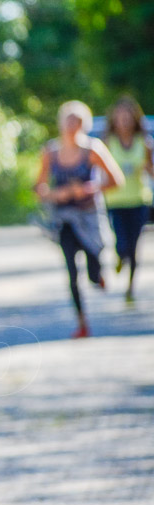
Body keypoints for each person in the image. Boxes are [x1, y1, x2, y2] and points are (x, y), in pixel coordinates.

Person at [33, 100, 124, 338]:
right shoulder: (50, 152)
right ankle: (82, 322)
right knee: (72, 271)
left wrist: (90, 189)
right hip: (64, 219)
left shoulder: (93, 150)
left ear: (85, 124)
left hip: (90, 217)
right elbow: (38, 187)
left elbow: (116, 180)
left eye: (77, 121)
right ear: (61, 123)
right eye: (68, 121)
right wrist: (58, 194)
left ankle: (98, 274)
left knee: (93, 266)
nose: (72, 126)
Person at [103, 95, 153, 303]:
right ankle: (119, 256)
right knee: (121, 242)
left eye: (128, 117)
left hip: (138, 199)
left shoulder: (145, 143)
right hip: (115, 200)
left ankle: (130, 287)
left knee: (134, 245)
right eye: (120, 117)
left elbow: (151, 170)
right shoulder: (107, 143)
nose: (124, 121)